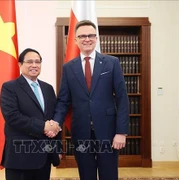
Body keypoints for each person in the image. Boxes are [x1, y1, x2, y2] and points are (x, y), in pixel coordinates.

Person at [52, 20, 129, 180]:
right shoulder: (68, 67)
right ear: (75, 40)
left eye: (90, 35)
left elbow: (122, 99)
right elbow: (63, 101)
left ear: (96, 38)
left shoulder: (112, 63)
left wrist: (121, 132)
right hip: (81, 131)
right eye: (82, 36)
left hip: (108, 131)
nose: (87, 39)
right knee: (86, 175)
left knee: (109, 175)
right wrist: (55, 123)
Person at [0, 48, 62, 180]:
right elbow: (12, 117)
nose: (34, 65)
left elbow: (54, 117)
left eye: (37, 62)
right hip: (21, 157)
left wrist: (57, 148)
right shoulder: (10, 87)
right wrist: (43, 126)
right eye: (29, 62)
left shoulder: (48, 88)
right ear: (20, 64)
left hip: (45, 155)